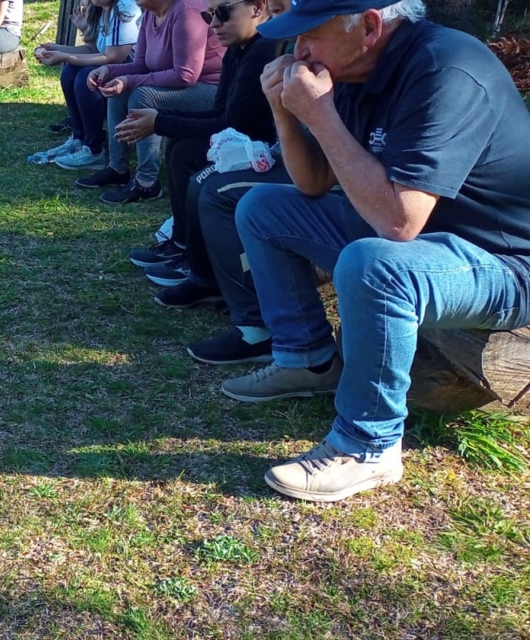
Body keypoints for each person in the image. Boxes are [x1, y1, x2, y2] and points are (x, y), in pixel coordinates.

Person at [222, 0, 530, 501]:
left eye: (311, 36)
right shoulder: (352, 71)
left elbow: (396, 223)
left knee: (376, 265)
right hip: (429, 243)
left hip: (505, 262)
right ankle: (309, 360)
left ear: (368, 26)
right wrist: (285, 111)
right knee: (264, 207)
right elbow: (313, 182)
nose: (299, 52)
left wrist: (319, 113)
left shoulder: (445, 68)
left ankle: (369, 446)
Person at [117, 0, 278, 286]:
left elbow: (233, 125)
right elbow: (220, 115)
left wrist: (159, 122)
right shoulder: (237, 50)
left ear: (257, 8)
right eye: (209, 14)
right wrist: (160, 119)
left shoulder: (263, 50)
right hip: (242, 141)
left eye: (222, 12)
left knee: (188, 154)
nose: (213, 24)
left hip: (266, 152)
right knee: (180, 144)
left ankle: (198, 265)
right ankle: (181, 244)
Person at [80, 0, 224, 202]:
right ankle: (117, 167)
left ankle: (147, 183)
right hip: (184, 85)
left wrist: (129, 80)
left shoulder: (186, 11)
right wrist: (110, 72)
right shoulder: (150, 12)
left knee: (143, 95)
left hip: (211, 90)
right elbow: (141, 64)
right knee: (118, 90)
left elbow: (185, 75)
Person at [28, 0, 141, 168]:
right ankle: (79, 138)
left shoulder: (124, 8)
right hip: (115, 69)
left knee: (85, 77)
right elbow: (93, 50)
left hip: (133, 75)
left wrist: (64, 56)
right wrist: (56, 49)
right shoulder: (102, 8)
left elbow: (113, 57)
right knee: (70, 71)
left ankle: (94, 150)